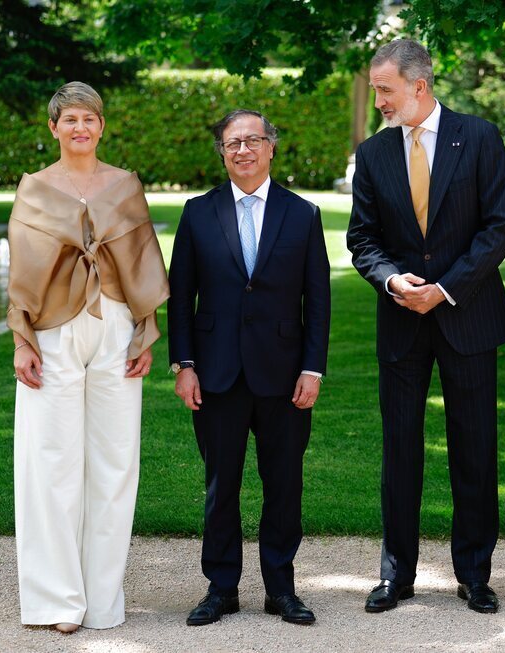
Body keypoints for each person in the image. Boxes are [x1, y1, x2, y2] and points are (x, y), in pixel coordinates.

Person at [346, 39, 505, 614]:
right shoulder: (372, 155)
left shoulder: (482, 138)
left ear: (419, 86)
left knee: (475, 450)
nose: (379, 101)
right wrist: (395, 282)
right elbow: (361, 239)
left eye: (385, 89)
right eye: (375, 90)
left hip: (468, 317)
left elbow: (498, 231)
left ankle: (474, 573)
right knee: (399, 452)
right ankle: (397, 574)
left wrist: (443, 290)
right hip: (400, 323)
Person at [8, 81, 169, 632]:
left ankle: (102, 600)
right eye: (70, 119)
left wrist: (145, 333)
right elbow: (22, 273)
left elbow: (144, 260)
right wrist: (22, 341)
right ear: (53, 127)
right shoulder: (33, 189)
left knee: (115, 462)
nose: (81, 128)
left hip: (117, 326)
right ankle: (57, 601)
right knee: (49, 461)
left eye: (90, 119)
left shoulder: (125, 186)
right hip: (53, 331)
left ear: (102, 126)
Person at [167, 109, 331, 626]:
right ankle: (221, 588)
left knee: (284, 485)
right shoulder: (197, 213)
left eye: (253, 141)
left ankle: (281, 588)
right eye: (233, 143)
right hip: (215, 374)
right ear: (222, 151)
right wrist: (184, 364)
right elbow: (180, 298)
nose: (243, 150)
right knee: (222, 486)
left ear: (271, 147)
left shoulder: (302, 214)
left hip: (285, 377)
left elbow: (319, 299)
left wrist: (313, 368)